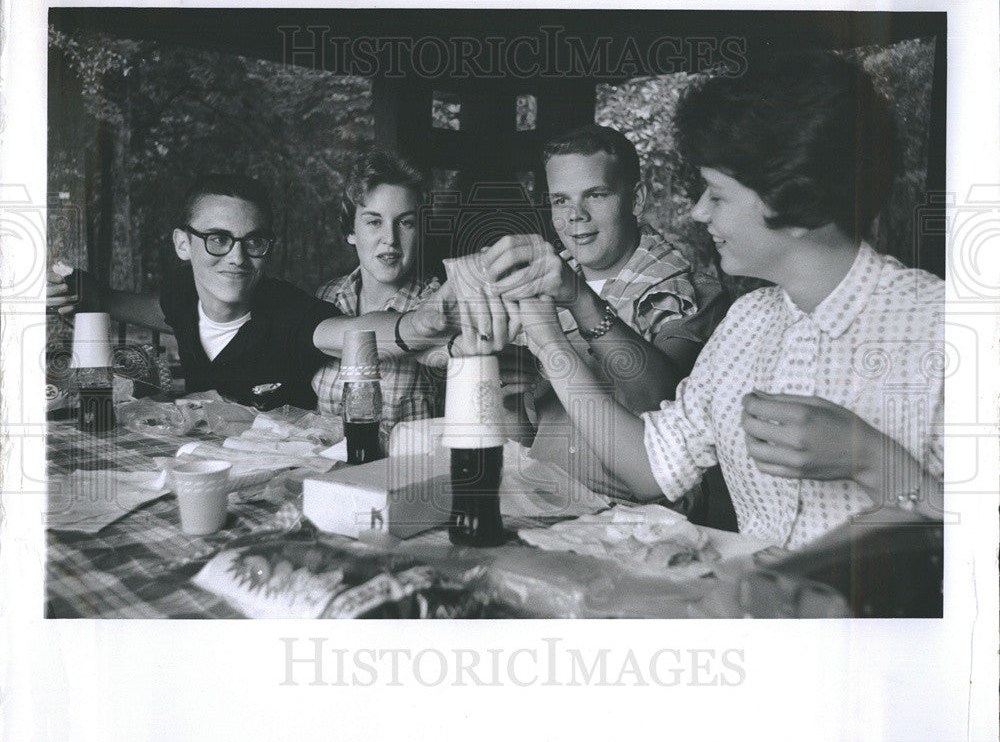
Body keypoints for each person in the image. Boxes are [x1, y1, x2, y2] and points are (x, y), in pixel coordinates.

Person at [516, 51, 943, 549]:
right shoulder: (747, 323)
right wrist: (547, 338)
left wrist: (872, 459)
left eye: (717, 195)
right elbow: (651, 467)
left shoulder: (945, 327)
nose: (697, 212)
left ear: (797, 200)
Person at [47, 173, 455, 410]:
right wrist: (88, 293)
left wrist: (420, 322)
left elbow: (354, 333)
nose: (237, 257)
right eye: (218, 239)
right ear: (182, 244)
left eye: (253, 241)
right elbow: (139, 307)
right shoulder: (181, 297)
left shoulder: (290, 310)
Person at [473, 124, 729, 499]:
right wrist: (509, 398)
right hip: (546, 506)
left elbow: (662, 404)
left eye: (595, 194)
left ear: (636, 199)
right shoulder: (534, 289)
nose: (575, 215)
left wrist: (579, 299)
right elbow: (527, 444)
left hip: (640, 522)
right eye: (560, 200)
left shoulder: (696, 293)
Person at [311, 148, 442, 427]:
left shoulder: (437, 304)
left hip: (406, 469)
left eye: (405, 223)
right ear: (350, 231)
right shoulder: (325, 298)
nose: (390, 239)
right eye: (374, 222)